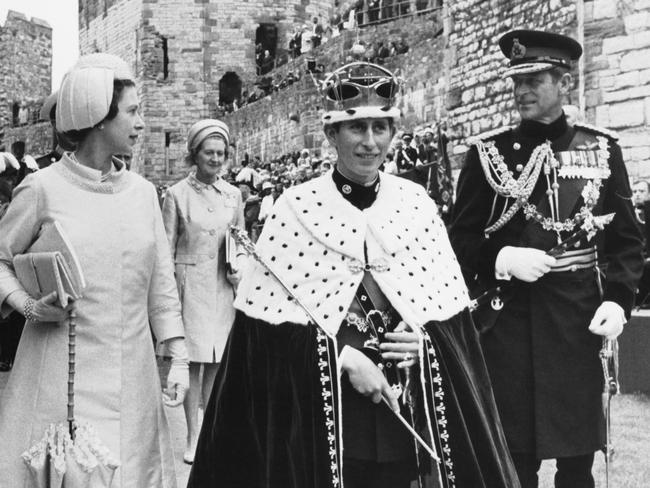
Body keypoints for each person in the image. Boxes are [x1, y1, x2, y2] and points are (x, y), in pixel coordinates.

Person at [188, 61, 520, 488]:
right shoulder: (294, 209)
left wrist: (426, 344)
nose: (370, 142)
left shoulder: (416, 204)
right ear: (331, 134)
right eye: (356, 129)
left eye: (380, 128)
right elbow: (260, 347)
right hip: (325, 427)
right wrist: (342, 359)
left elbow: (455, 330)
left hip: (406, 418)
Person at [450, 30, 644, 488]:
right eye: (516, 81)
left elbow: (626, 241)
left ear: (564, 82)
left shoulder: (601, 149)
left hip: (576, 322)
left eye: (534, 79)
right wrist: (502, 256)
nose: (521, 91)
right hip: (508, 323)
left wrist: (617, 302)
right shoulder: (488, 154)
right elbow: (457, 243)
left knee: (578, 462)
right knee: (513, 461)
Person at [0, 53, 190, 488]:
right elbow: (1, 261)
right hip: (59, 380)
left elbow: (161, 285)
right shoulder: (42, 188)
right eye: (133, 111)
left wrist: (177, 357)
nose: (141, 123)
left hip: (134, 380)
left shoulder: (143, 194)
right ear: (99, 118)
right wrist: (27, 305)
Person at [161, 119, 244, 464]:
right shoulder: (176, 194)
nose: (215, 159)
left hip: (222, 285)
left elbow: (239, 237)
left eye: (220, 153)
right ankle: (192, 436)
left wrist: (239, 265)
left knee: (215, 363)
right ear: (194, 154)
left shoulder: (233, 194)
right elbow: (165, 247)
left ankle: (210, 432)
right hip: (189, 285)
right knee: (192, 362)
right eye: (208, 153)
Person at [632, 180, 650, 306]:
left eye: (642, 191)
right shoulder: (629, 215)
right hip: (634, 256)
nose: (637, 194)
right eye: (635, 191)